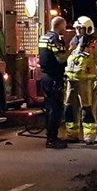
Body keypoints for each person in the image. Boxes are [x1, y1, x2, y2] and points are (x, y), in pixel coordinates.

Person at [64, 16, 97, 145]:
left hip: (87, 82)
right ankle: (72, 134)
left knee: (87, 109)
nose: (77, 31)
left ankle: (89, 135)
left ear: (87, 29)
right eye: (76, 28)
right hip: (71, 81)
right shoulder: (73, 43)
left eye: (80, 28)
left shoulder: (96, 45)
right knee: (70, 108)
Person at [38, 16, 69, 149]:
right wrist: (72, 50)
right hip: (54, 78)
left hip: (45, 77)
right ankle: (52, 139)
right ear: (60, 26)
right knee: (55, 109)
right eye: (65, 26)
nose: (65, 29)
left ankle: (50, 136)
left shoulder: (44, 37)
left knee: (50, 107)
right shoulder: (54, 39)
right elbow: (61, 59)